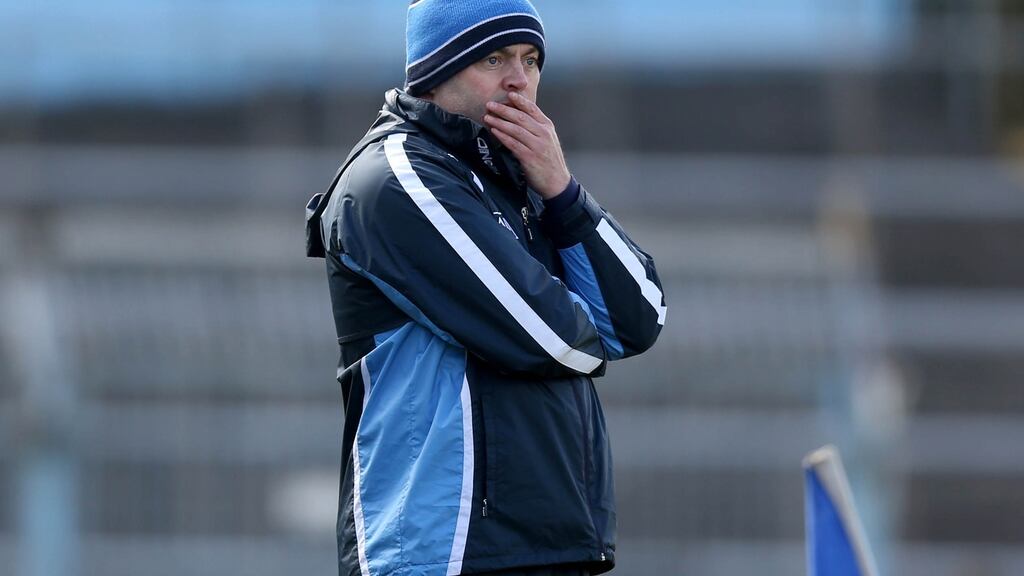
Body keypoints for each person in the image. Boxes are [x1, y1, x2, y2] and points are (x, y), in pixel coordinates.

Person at [305, 1, 666, 574]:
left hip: (548, 543)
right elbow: (552, 338)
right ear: (434, 70)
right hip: (441, 552)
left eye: (530, 59)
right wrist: (576, 316)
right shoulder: (395, 177)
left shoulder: (518, 178)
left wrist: (563, 192)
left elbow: (636, 319)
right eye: (493, 58)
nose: (519, 79)